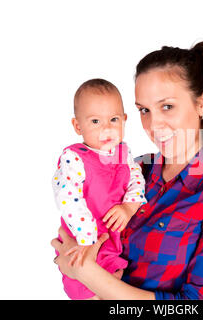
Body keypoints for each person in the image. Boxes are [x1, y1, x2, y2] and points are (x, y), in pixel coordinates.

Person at [51, 39, 203, 300]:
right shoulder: (133, 170)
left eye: (167, 106)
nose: (154, 123)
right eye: (144, 110)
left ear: (202, 104)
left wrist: (86, 274)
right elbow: (71, 237)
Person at [52, 78, 147, 300]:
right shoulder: (74, 158)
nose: (106, 128)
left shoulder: (124, 153)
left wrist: (128, 208)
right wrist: (87, 237)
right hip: (81, 239)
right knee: (85, 290)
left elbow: (136, 180)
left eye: (113, 119)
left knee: (112, 286)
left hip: (113, 240)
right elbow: (67, 196)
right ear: (78, 126)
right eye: (95, 121)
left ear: (124, 120)